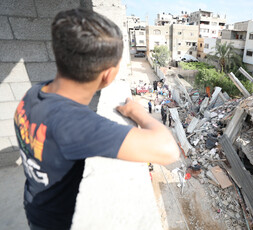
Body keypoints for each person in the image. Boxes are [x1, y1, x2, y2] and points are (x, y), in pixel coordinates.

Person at [13, 9, 179, 230]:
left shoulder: (33, 94)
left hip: (34, 202)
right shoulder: (72, 124)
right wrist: (136, 111)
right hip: (54, 221)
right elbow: (168, 151)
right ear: (109, 75)